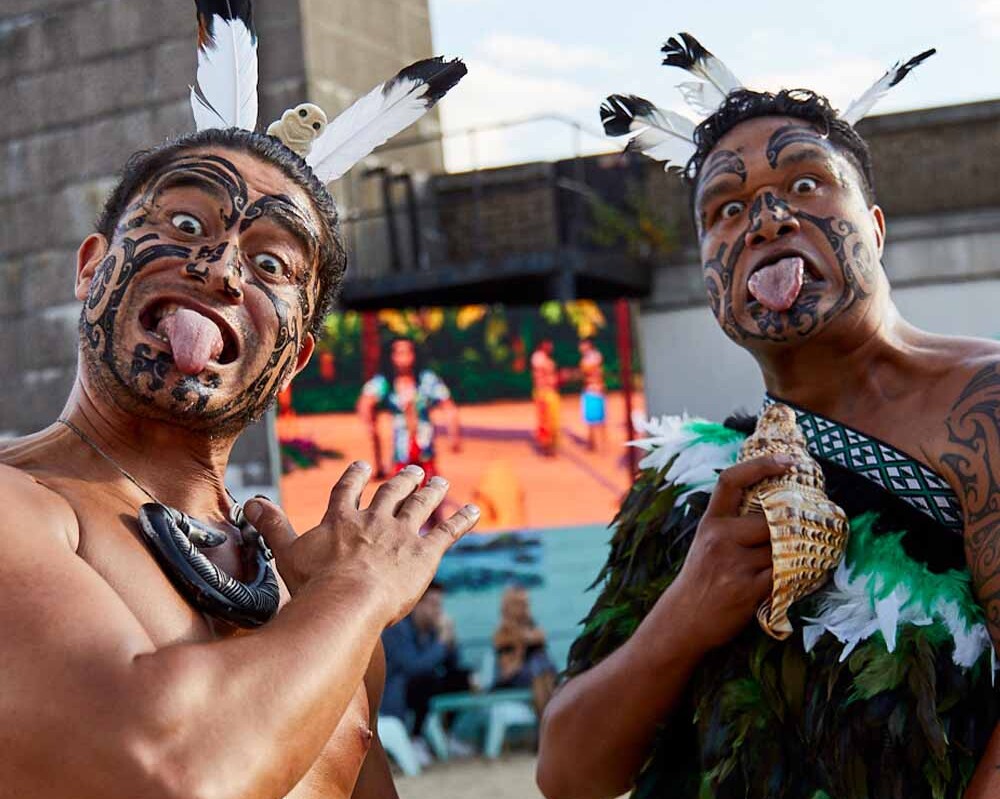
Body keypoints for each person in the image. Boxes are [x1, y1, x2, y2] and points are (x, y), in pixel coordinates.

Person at [0, 4, 472, 797]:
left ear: (294, 356)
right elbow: (166, 771)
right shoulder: (19, 508)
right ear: (91, 268)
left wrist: (328, 604)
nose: (220, 269)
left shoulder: (315, 593)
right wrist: (359, 593)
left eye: (274, 265)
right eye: (185, 221)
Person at [537, 35, 1000, 799]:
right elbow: (568, 773)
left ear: (875, 229)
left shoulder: (982, 405)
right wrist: (687, 610)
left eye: (809, 185)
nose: (766, 219)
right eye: (726, 210)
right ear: (710, 276)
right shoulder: (690, 482)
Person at [356, 337, 461, 483]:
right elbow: (365, 401)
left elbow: (448, 405)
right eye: (399, 353)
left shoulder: (426, 379)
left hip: (425, 445)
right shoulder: (386, 381)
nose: (403, 357)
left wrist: (453, 434)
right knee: (400, 491)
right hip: (401, 449)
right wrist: (370, 425)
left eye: (407, 352)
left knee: (429, 490)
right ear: (391, 356)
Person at [382, 582, 471, 743]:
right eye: (433, 605)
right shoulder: (397, 628)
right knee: (425, 681)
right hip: (397, 692)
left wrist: (451, 642)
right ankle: (416, 738)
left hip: (422, 687)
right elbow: (413, 667)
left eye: (440, 605)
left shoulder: (433, 630)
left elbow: (453, 665)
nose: (438, 611)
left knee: (463, 678)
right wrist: (442, 643)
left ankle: (447, 735)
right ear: (417, 604)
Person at [493, 584, 557, 715]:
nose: (524, 608)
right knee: (538, 673)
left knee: (545, 671)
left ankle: (552, 718)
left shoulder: (531, 626)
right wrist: (521, 643)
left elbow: (540, 637)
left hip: (540, 673)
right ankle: (546, 720)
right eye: (519, 604)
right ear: (507, 607)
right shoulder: (501, 633)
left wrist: (523, 636)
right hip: (515, 676)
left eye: (526, 604)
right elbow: (508, 669)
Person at [531, 339, 561, 456]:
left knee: (554, 421)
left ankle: (552, 446)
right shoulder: (538, 358)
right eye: (547, 343)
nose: (550, 346)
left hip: (551, 392)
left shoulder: (547, 359)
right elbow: (542, 372)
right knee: (545, 421)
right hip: (543, 393)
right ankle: (547, 447)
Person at [577, 339, 607, 452]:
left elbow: (588, 370)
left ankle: (600, 443)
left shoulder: (594, 357)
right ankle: (593, 443)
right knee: (592, 419)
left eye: (582, 345)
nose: (580, 347)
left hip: (595, 389)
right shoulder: (587, 358)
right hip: (591, 389)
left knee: (598, 419)